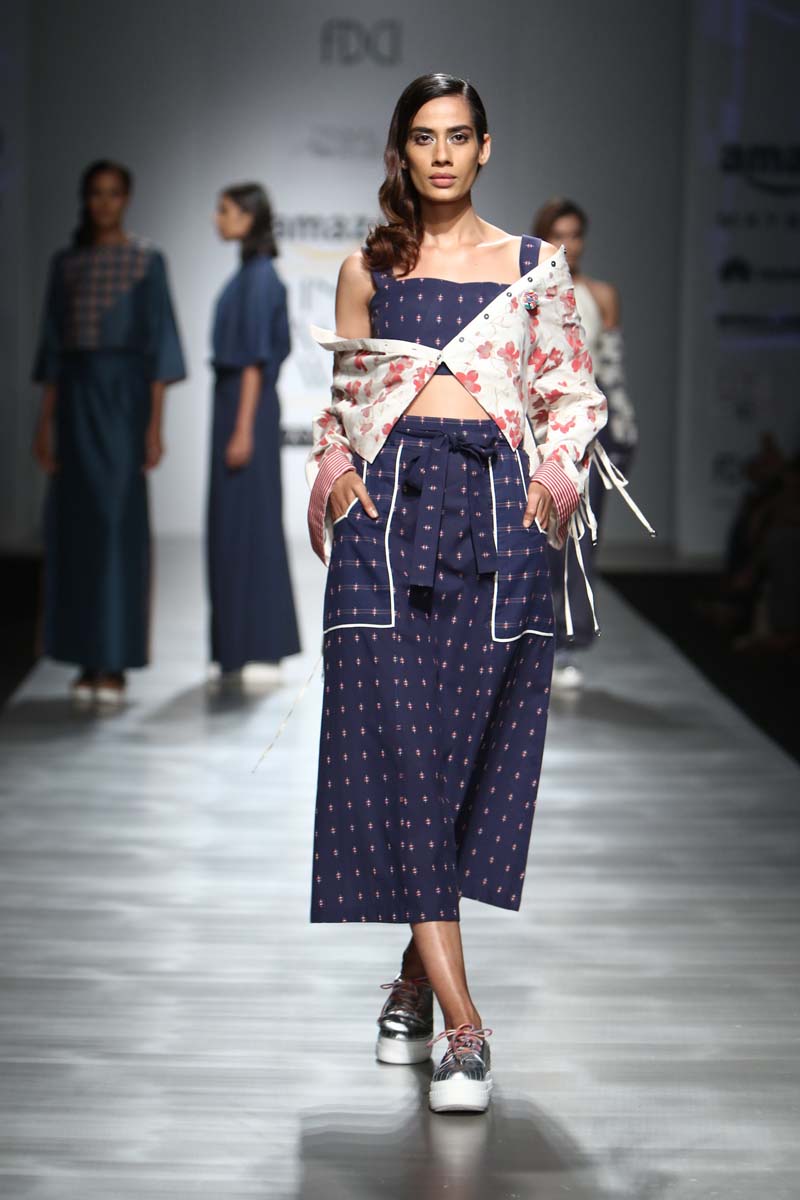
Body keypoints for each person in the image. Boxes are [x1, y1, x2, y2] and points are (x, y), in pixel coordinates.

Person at [305, 73, 624, 1115]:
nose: (439, 155)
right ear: (400, 151)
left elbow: (571, 395)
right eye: (421, 138)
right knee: (400, 757)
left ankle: (409, 985)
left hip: (498, 522)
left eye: (457, 137)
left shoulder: (533, 269)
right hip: (385, 520)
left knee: (459, 769)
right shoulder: (368, 269)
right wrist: (334, 471)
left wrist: (553, 482)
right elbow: (343, 404)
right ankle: (465, 1028)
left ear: (485, 147)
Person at [32, 160, 186, 704]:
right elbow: (53, 352)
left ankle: (115, 661)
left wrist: (154, 426)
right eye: (96, 193)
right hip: (76, 406)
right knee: (77, 531)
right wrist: (45, 424)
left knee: (119, 527)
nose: (104, 203)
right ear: (86, 198)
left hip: (124, 407)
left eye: (113, 193)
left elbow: (160, 346)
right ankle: (84, 658)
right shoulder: (67, 263)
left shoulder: (147, 261)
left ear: (126, 198)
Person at [532, 198, 639, 690]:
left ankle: (569, 646)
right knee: (534, 540)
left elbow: (611, 372)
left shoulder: (601, 296)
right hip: (536, 433)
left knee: (579, 541)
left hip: (589, 436)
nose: (568, 245)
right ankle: (531, 640)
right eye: (559, 234)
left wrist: (625, 433)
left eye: (575, 235)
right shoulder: (527, 294)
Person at [207, 183, 300, 680]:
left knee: (249, 524)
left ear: (247, 217)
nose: (216, 218)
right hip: (237, 408)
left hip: (246, 411)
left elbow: (253, 362)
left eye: (224, 210)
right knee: (235, 525)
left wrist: (242, 429)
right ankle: (242, 645)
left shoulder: (260, 278)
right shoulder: (250, 274)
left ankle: (259, 645)